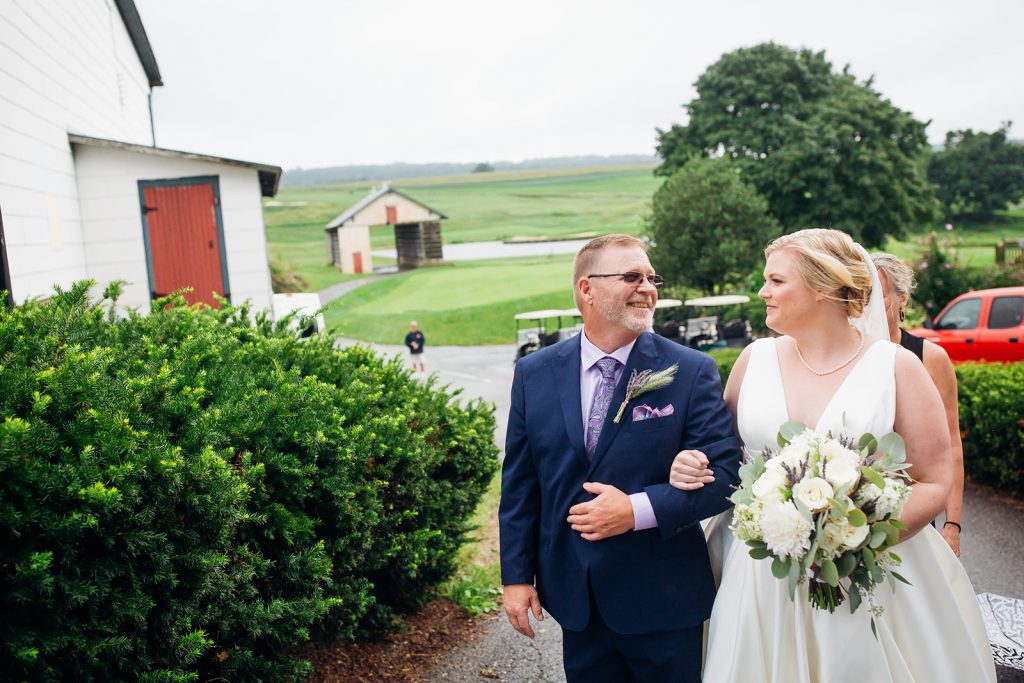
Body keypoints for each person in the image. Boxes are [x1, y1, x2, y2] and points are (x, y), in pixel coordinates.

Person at [670, 229, 995, 682]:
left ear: (823, 287)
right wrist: (691, 462)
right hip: (761, 571)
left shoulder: (897, 367)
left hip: (868, 569)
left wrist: (850, 540)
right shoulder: (753, 359)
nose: (762, 292)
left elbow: (935, 480)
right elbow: (721, 457)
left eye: (776, 281)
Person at [499, 234, 741, 682]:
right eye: (631, 276)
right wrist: (516, 576)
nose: (648, 287)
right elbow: (521, 482)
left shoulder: (690, 371)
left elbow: (726, 476)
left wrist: (635, 510)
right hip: (577, 599)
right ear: (586, 289)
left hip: (664, 597)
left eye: (652, 278)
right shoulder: (534, 374)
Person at [872, 252, 965, 556]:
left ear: (902, 299)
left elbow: (951, 443)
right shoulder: (845, 357)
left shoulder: (930, 358)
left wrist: (952, 524)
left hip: (915, 513)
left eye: (879, 296)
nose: (868, 305)